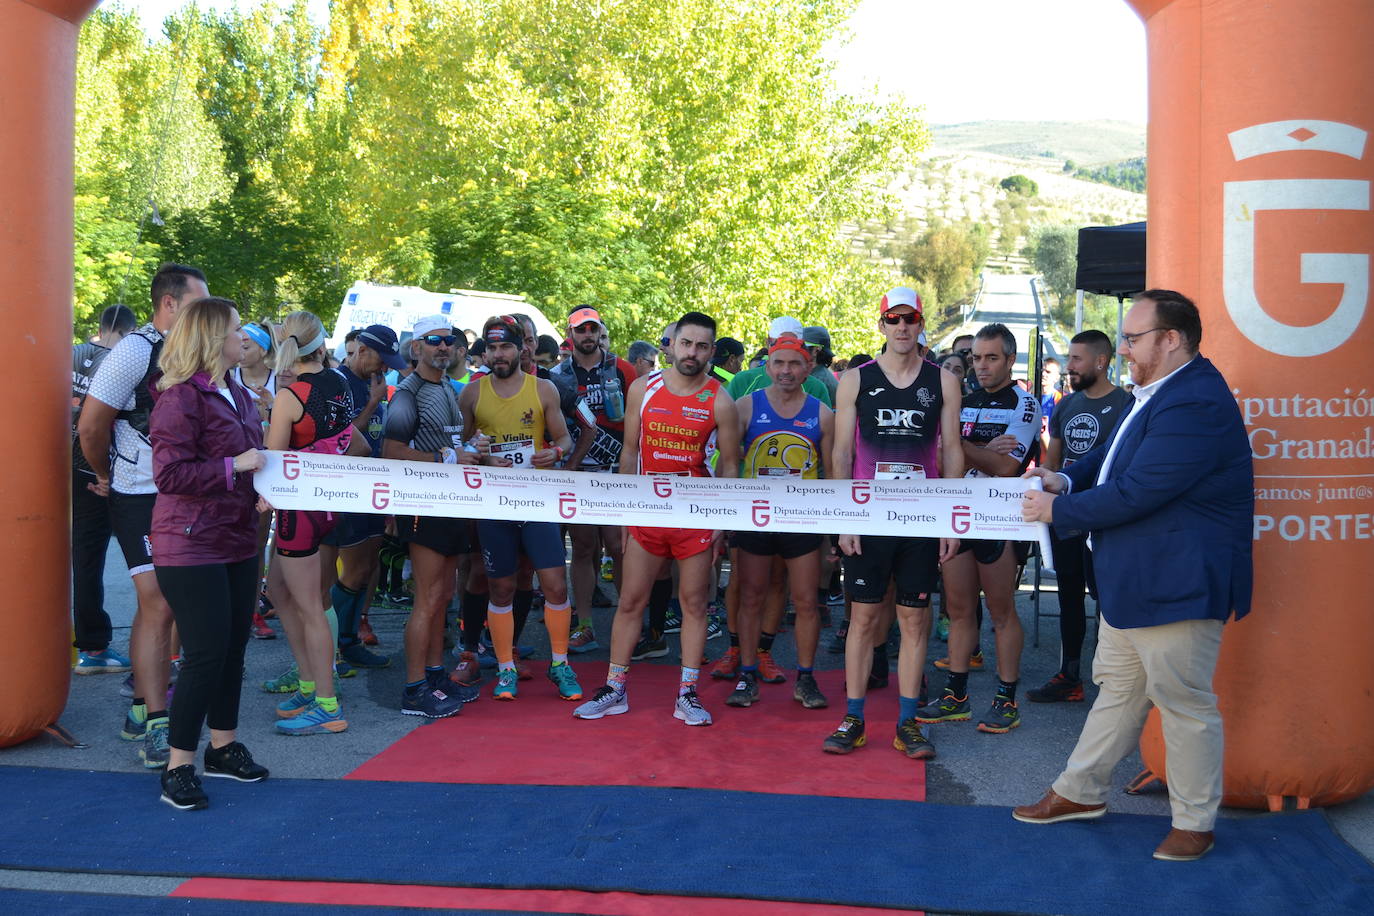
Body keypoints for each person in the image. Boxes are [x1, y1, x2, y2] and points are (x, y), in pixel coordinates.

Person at [1013, 290, 1253, 863]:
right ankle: (1079, 792)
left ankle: (1195, 823)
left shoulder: (1193, 400)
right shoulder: (1162, 391)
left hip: (1176, 582)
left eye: (1133, 337)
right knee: (1119, 688)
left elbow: (1142, 490)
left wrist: (1058, 512)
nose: (1121, 349)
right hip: (1140, 580)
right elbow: (1116, 457)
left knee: (1184, 703)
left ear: (1172, 339)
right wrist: (1066, 481)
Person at [574, 311, 740, 726]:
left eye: (703, 346)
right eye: (686, 343)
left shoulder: (720, 398)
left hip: (696, 513)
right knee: (631, 600)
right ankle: (615, 688)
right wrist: (626, 513)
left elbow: (731, 467)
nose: (693, 353)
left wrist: (722, 520)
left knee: (694, 605)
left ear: (711, 351)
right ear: (671, 344)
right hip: (647, 510)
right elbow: (629, 453)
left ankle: (687, 694)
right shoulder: (642, 389)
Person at [823, 287, 963, 758]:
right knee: (863, 618)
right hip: (869, 517)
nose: (902, 326)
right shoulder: (855, 380)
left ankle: (907, 723)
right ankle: (854, 717)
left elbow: (952, 452)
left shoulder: (942, 381)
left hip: (921, 519)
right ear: (880, 324)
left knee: (914, 620)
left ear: (921, 323)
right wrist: (845, 519)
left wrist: (951, 520)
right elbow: (841, 453)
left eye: (911, 319)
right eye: (894, 319)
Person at [80, 264, 209, 768]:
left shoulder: (197, 349)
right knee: (158, 600)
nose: (205, 313)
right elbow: (91, 424)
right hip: (139, 493)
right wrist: (106, 474)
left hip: (189, 493)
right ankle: (158, 720)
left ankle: (141, 704)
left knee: (169, 604)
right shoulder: (135, 349)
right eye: (196, 303)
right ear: (169, 304)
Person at [148, 297, 269, 809]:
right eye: (235, 330)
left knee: (233, 649)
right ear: (210, 337)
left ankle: (223, 746)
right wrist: (236, 468)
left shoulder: (236, 392)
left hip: (239, 535)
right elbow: (169, 476)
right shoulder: (179, 399)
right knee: (204, 655)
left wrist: (265, 487)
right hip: (191, 542)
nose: (243, 337)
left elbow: (252, 461)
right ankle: (178, 765)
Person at [918, 322, 1040, 735]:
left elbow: (1007, 469)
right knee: (958, 609)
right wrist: (979, 451)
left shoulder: (1025, 404)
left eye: (992, 358)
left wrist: (963, 449)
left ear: (1010, 359)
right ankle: (956, 696)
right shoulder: (962, 399)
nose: (982, 366)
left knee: (1001, 610)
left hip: (1000, 518)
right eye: (976, 358)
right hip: (958, 513)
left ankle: (1006, 700)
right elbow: (937, 458)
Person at [457, 316, 581, 702]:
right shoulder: (472, 394)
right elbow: (462, 449)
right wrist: (478, 456)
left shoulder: (542, 389)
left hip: (537, 499)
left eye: (505, 347)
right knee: (502, 585)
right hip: (495, 503)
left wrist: (556, 452)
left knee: (555, 583)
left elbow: (564, 436)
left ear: (521, 350)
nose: (498, 355)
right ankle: (505, 668)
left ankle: (560, 664)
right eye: (491, 348)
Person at [264, 311, 370, 736]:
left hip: (299, 509)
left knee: (309, 604)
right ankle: (310, 684)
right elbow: (349, 439)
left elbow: (273, 460)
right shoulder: (339, 382)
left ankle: (326, 702)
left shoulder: (291, 396)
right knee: (279, 590)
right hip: (328, 502)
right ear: (321, 344)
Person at [726, 337, 834, 711]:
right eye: (779, 364)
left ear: (807, 369)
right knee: (751, 595)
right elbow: (725, 461)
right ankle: (747, 673)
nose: (786, 371)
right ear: (767, 367)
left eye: (794, 364)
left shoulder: (822, 413)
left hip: (803, 520)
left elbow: (833, 475)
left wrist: (834, 531)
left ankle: (805, 677)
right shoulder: (744, 407)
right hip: (755, 518)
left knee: (805, 601)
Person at [1027, 330, 1133, 703]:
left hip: (1106, 519)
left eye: (1076, 359)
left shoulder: (1127, 404)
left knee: (1106, 598)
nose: (1069, 367)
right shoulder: (1066, 406)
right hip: (1067, 516)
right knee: (1069, 595)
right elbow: (1053, 463)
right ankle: (1069, 676)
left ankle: (1114, 681)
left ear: (1101, 362)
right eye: (1068, 359)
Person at [383, 315, 481, 718]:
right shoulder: (408, 391)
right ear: (416, 347)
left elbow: (450, 444)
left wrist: (476, 449)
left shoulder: (446, 387)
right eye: (434, 340)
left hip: (452, 502)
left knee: (443, 596)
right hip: (423, 503)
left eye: (449, 340)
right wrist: (447, 457)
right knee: (426, 599)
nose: (443, 346)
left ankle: (436, 675)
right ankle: (413, 688)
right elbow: (390, 450)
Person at [549, 306, 636, 655]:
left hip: (616, 469)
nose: (587, 336)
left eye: (592, 329)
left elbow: (640, 417)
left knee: (619, 546)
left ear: (600, 331)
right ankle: (584, 624)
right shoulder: (557, 374)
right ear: (570, 335)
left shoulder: (623, 369)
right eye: (580, 330)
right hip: (578, 468)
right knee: (583, 547)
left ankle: (629, 620)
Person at [322, 325, 409, 671]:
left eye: (390, 362)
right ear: (361, 350)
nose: (385, 368)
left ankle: (349, 642)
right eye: (381, 360)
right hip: (346, 491)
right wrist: (373, 403)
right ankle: (332, 648)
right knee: (352, 571)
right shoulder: (337, 383)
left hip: (375, 490)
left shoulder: (376, 383)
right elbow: (342, 443)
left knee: (367, 569)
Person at [71, 303, 137, 674]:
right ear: (128, 333)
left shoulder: (70, 353)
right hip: (94, 471)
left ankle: (81, 644)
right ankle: (94, 648)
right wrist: (103, 474)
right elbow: (95, 427)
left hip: (51, 467)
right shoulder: (119, 364)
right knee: (89, 560)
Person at [727, 316, 833, 407]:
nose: (784, 348)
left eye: (792, 343)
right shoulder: (742, 381)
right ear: (767, 342)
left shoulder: (816, 388)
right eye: (778, 343)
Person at [802, 325, 839, 404]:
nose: (796, 350)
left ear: (816, 350)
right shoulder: (814, 374)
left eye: (802, 346)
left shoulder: (820, 380)